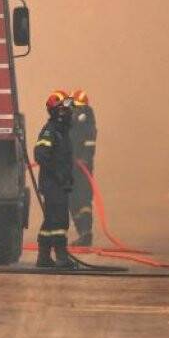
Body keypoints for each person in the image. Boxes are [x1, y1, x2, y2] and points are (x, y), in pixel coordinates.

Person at [34, 91, 75, 268]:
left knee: (51, 221)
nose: (68, 111)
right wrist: (57, 174)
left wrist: (66, 176)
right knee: (59, 221)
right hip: (53, 184)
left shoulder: (61, 131)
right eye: (64, 108)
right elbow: (40, 154)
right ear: (57, 112)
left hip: (58, 183)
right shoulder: (51, 131)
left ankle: (43, 258)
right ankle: (61, 258)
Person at [68, 89, 98, 246]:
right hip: (68, 166)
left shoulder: (87, 118)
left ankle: (86, 232)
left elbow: (90, 140)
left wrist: (84, 159)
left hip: (82, 166)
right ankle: (83, 234)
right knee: (72, 200)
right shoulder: (67, 116)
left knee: (83, 198)